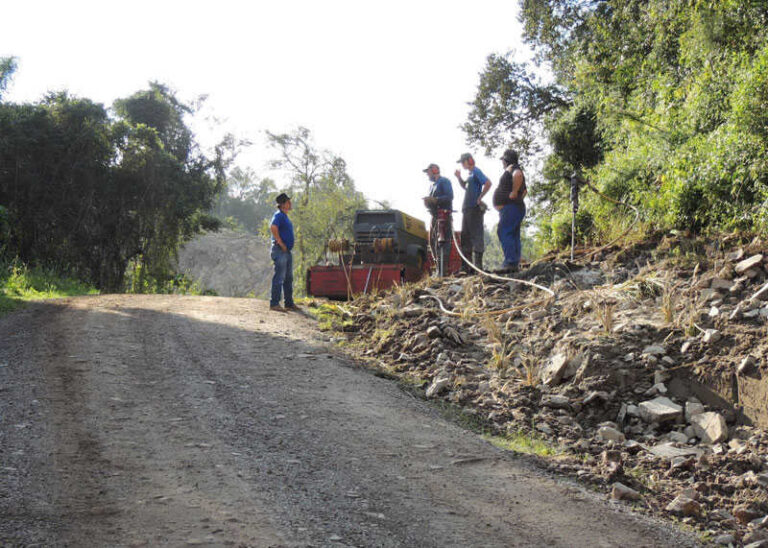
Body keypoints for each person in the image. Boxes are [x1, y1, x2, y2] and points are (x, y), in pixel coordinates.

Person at [454, 152, 491, 271]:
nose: (462, 165)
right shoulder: (470, 175)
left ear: (468, 161)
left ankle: (478, 266)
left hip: (474, 209)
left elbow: (488, 183)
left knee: (476, 236)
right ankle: (466, 267)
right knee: (465, 237)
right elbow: (465, 186)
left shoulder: (476, 171)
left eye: (462, 162)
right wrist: (459, 177)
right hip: (467, 209)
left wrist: (480, 197)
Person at [492, 149, 527, 272]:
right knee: (513, 234)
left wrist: (514, 192)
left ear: (506, 160)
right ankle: (514, 262)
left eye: (503, 160)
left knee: (504, 232)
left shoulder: (513, 168)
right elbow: (525, 191)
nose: (502, 162)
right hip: (515, 208)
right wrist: (517, 198)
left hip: (511, 208)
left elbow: (518, 175)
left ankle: (511, 262)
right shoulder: (514, 168)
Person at [422, 163, 453, 276]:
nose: (427, 175)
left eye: (428, 172)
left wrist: (436, 200)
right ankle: (438, 269)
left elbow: (449, 197)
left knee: (443, 242)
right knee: (432, 242)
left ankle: (442, 271)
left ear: (434, 170)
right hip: (434, 216)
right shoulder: (432, 186)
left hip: (443, 216)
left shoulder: (444, 181)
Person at [269, 193, 298, 311]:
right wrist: (280, 242)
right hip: (280, 250)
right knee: (280, 276)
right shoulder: (279, 215)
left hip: (286, 251)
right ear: (282, 204)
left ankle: (289, 303)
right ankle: (274, 303)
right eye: (288, 202)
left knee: (288, 278)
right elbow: (273, 227)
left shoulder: (284, 216)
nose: (290, 204)